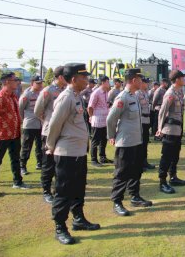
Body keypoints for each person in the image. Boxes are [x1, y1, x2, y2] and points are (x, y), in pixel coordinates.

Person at [46, 63, 100, 245]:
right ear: (74, 79)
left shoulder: (77, 96)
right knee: (63, 191)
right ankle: (60, 227)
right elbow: (54, 125)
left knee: (78, 188)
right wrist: (50, 146)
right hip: (67, 152)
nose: (87, 80)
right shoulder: (66, 97)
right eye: (84, 77)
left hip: (78, 152)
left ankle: (78, 218)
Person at [107, 69, 153, 217]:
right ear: (134, 80)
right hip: (125, 142)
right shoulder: (123, 97)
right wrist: (111, 136)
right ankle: (117, 202)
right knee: (122, 172)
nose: (142, 82)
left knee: (136, 170)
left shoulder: (134, 96)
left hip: (136, 141)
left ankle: (135, 196)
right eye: (140, 79)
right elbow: (111, 119)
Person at [0, 72, 29, 198]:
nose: (17, 82)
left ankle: (18, 182)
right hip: (3, 134)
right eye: (14, 80)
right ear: (6, 82)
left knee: (15, 159)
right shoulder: (0, 97)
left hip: (15, 133)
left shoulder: (13, 96)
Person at [34, 65, 67, 204]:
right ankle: (46, 191)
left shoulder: (65, 90)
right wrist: (47, 122)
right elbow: (37, 110)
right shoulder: (48, 91)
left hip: (63, 132)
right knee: (48, 164)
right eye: (66, 76)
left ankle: (57, 189)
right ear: (60, 77)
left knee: (60, 162)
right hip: (49, 133)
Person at [156, 70, 185, 194]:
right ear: (177, 80)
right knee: (166, 156)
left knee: (175, 155)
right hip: (169, 130)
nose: (184, 79)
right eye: (182, 78)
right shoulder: (170, 93)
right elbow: (162, 111)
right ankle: (162, 182)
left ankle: (173, 177)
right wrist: (160, 128)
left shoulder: (179, 92)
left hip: (177, 129)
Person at [19, 75, 44, 175]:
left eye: (41, 83)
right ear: (32, 83)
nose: (40, 85)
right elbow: (21, 109)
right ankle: (22, 166)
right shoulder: (27, 94)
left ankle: (39, 163)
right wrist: (24, 119)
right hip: (30, 123)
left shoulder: (42, 93)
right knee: (26, 146)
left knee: (40, 145)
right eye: (38, 83)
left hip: (41, 123)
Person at [88, 75, 111, 167]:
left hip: (104, 120)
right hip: (97, 120)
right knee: (95, 140)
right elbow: (90, 107)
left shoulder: (105, 92)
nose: (109, 84)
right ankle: (94, 159)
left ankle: (102, 157)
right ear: (103, 83)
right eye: (108, 82)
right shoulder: (96, 93)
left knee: (104, 140)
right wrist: (91, 117)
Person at [137, 77, 155, 170]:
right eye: (146, 83)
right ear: (142, 83)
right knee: (141, 143)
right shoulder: (137, 93)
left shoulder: (145, 93)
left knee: (145, 142)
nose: (148, 84)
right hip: (141, 120)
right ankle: (139, 163)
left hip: (146, 119)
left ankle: (144, 161)